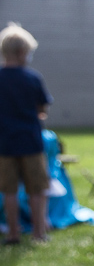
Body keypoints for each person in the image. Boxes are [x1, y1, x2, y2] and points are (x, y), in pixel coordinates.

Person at [0, 22, 53, 245]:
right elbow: (42, 109)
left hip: (4, 144)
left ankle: (13, 233)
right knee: (37, 190)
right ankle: (39, 233)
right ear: (23, 53)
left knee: (9, 191)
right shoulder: (32, 79)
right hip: (30, 143)